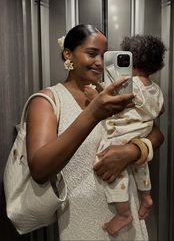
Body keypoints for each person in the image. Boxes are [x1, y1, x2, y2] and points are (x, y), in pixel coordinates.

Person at [26, 24, 164, 241]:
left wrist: (131, 151)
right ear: (68, 54)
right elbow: (40, 169)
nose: (100, 62)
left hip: (127, 213)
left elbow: (155, 133)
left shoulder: (113, 92)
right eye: (91, 54)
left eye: (104, 55)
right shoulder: (48, 100)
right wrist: (93, 114)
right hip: (81, 219)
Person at [84, 35, 166, 236]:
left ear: (131, 60)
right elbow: (160, 111)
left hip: (120, 136)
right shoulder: (155, 89)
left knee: (113, 166)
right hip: (141, 134)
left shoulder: (130, 83)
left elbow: (112, 103)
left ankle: (123, 213)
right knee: (140, 164)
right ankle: (146, 196)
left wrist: (94, 96)